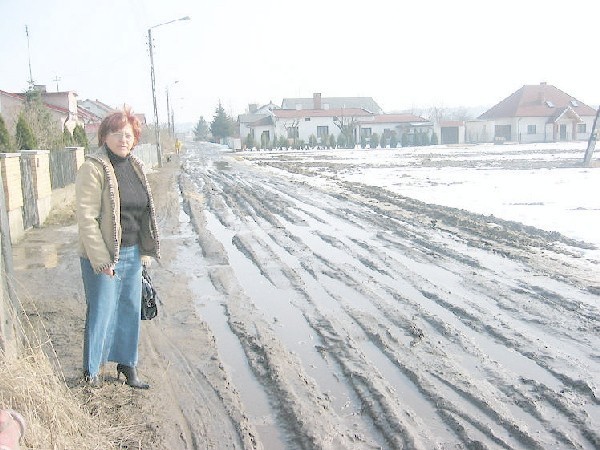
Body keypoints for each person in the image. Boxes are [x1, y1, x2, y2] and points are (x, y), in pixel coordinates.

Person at [75, 107, 160, 389]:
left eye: (128, 134)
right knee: (101, 311)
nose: (122, 139)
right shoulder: (93, 167)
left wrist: (144, 253)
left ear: (134, 138)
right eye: (116, 133)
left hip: (132, 253)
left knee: (128, 309)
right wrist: (101, 260)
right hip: (104, 255)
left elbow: (143, 211)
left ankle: (127, 365)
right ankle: (92, 372)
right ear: (104, 136)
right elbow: (87, 218)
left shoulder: (135, 166)